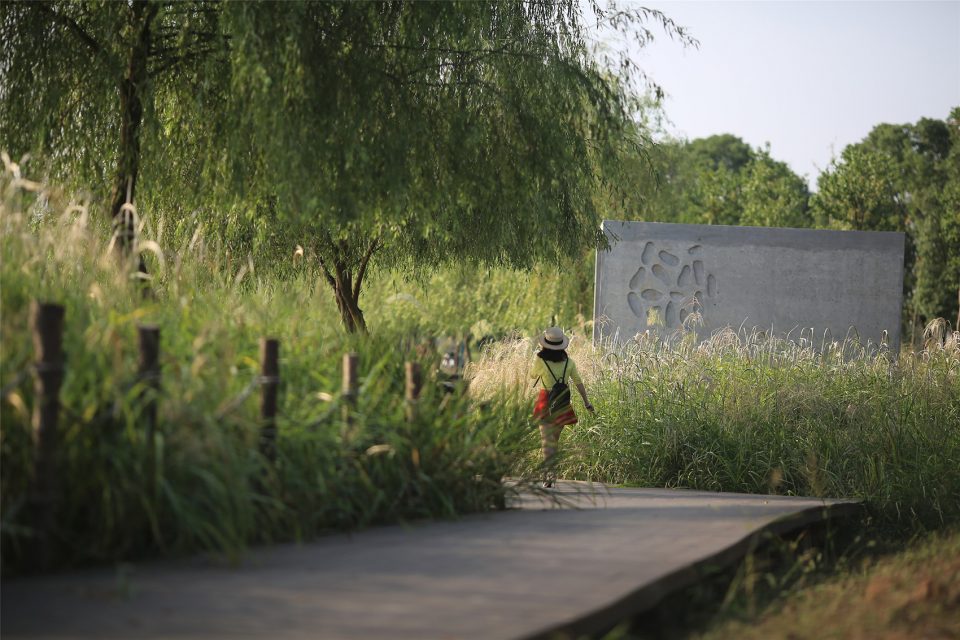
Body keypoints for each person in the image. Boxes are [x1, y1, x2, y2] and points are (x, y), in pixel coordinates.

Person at [530, 326, 594, 486]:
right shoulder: (569, 362)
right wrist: (587, 403)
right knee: (554, 442)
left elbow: (532, 375)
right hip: (562, 402)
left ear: (545, 344)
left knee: (546, 441)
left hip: (546, 400)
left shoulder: (540, 360)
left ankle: (548, 475)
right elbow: (578, 382)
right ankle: (550, 473)